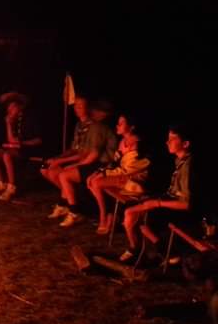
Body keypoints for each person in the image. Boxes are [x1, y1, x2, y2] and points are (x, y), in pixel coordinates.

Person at [120, 125, 194, 263]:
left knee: (136, 214)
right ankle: (144, 249)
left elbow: (187, 204)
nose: (167, 142)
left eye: (172, 139)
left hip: (183, 211)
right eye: (168, 138)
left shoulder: (190, 167)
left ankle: (162, 252)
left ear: (185, 143)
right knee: (132, 209)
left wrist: (157, 203)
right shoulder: (180, 160)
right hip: (170, 200)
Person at [54, 100, 117, 227]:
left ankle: (74, 212)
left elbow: (94, 154)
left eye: (93, 110)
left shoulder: (99, 127)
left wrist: (78, 165)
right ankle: (69, 206)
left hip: (103, 165)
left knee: (64, 175)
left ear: (101, 113)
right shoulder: (96, 126)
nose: (91, 112)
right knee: (63, 173)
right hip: (101, 163)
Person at [86, 114, 150, 235]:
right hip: (123, 178)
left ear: (131, 127)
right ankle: (109, 216)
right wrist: (99, 171)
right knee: (92, 180)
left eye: (121, 123)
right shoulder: (123, 142)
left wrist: (104, 174)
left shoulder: (138, 147)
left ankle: (104, 217)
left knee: (96, 182)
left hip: (134, 182)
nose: (117, 125)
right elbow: (115, 164)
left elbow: (126, 170)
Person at [41, 96, 91, 218]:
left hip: (84, 162)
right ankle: (69, 199)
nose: (77, 108)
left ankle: (68, 204)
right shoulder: (79, 125)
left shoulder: (92, 126)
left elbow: (84, 154)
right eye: (75, 105)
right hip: (74, 158)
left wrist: (60, 161)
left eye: (80, 106)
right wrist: (58, 157)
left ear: (87, 108)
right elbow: (74, 148)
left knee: (57, 173)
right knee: (45, 169)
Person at [0, 93, 43, 202]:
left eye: (13, 107)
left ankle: (11, 187)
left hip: (27, 148)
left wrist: (23, 143)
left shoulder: (30, 118)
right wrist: (8, 124)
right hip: (15, 147)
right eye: (9, 108)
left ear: (20, 107)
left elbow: (39, 140)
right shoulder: (13, 120)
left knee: (7, 155)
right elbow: (11, 140)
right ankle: (1, 183)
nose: (10, 110)